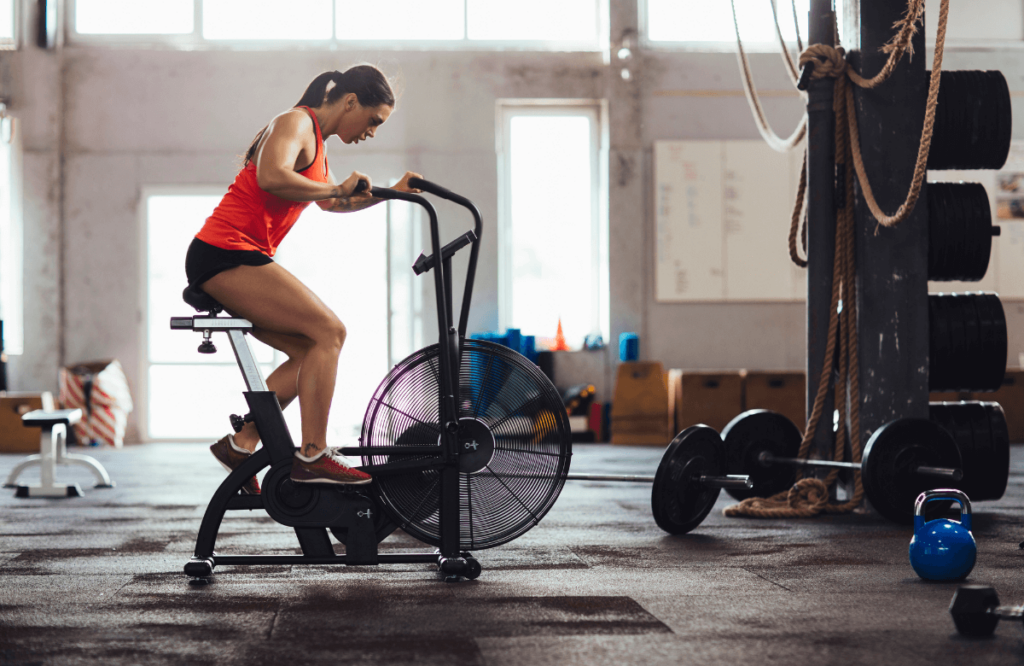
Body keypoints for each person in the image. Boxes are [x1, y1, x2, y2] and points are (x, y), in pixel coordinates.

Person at [184, 65, 422, 493]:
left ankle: (241, 443)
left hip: (237, 254)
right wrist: (335, 190)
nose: (371, 132)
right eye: (372, 121)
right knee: (330, 331)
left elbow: (334, 206)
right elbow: (272, 177)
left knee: (311, 352)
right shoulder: (295, 121)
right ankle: (313, 454)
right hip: (224, 252)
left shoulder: (319, 143)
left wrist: (393, 192)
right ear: (350, 101)